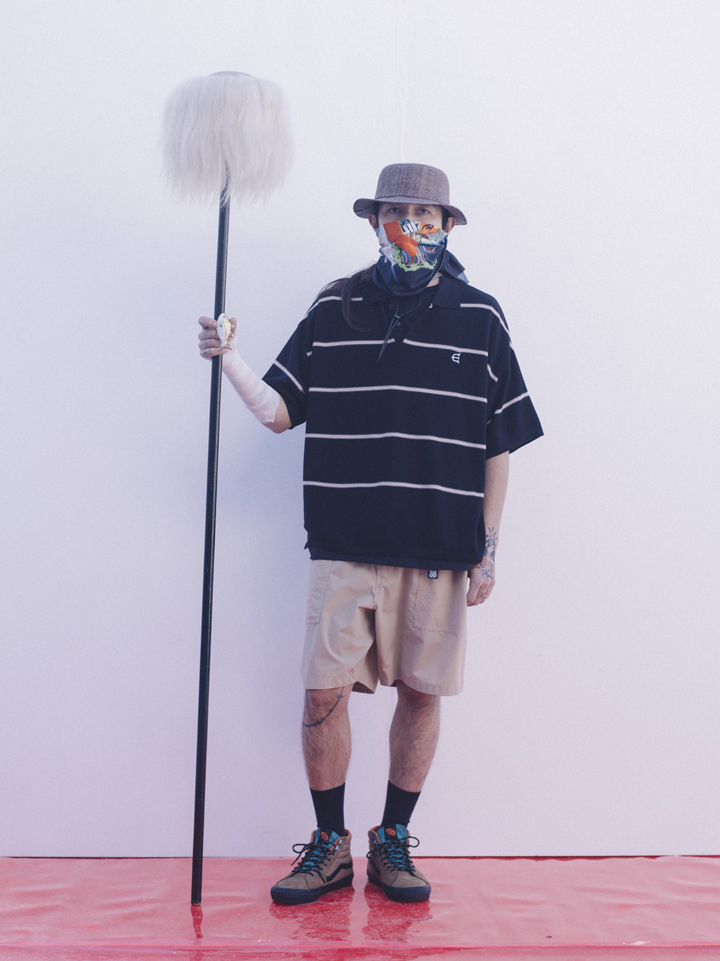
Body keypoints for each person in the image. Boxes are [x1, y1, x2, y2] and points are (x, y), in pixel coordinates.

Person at [197, 163, 543, 905]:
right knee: (322, 694)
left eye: (426, 215)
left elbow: (498, 446)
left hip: (439, 549)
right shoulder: (336, 307)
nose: (410, 226)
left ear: (447, 226)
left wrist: (488, 551)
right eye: (395, 212)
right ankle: (331, 845)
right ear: (373, 222)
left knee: (421, 694)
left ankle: (393, 840)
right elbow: (278, 411)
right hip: (344, 543)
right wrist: (230, 359)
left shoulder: (481, 317)